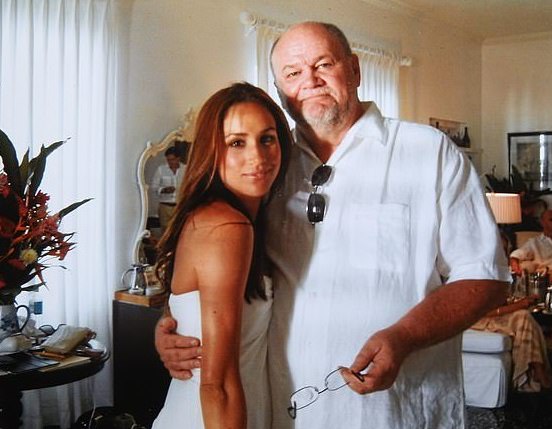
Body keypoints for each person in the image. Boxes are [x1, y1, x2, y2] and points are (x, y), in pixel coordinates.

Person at [155, 22, 510, 428]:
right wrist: (173, 326)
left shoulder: (427, 152)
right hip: (284, 413)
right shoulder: (269, 165)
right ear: (280, 90)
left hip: (395, 411)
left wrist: (404, 337)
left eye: (324, 64)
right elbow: (215, 264)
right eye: (293, 73)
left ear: (355, 70)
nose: (310, 80)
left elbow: (485, 278)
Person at [151, 82, 291, 429]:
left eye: (267, 139)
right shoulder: (227, 225)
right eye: (237, 143)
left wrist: (166, 324)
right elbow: (219, 385)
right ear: (213, 150)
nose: (257, 157)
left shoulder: (238, 220)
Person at [471, 295, 552, 392]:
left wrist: (517, 303)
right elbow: (481, 311)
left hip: (494, 316)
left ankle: (536, 369)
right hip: (478, 321)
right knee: (523, 317)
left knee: (524, 315)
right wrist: (518, 305)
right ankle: (538, 370)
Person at [151, 145, 187, 230]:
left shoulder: (186, 169)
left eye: (172, 159)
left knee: (179, 230)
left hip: (180, 207)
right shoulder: (161, 169)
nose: (170, 162)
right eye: (168, 160)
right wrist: (163, 190)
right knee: (165, 231)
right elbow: (153, 187)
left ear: (178, 158)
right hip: (165, 207)